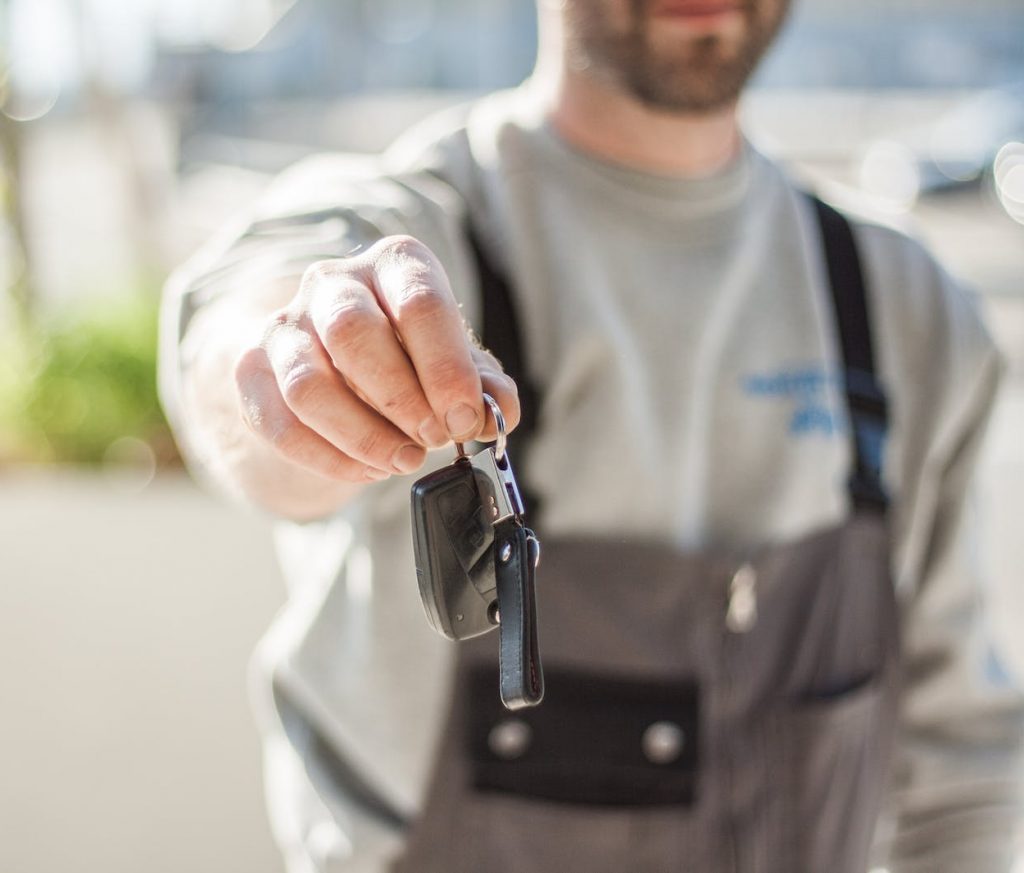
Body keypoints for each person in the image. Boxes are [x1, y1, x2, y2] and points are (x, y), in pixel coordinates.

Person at [159, 1, 1024, 870]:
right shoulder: (420, 224)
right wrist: (310, 367)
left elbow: (959, 775)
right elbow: (245, 350)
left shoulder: (906, 308)